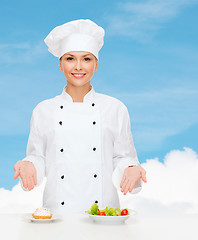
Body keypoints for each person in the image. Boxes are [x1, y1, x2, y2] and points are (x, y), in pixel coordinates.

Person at [13, 19, 147, 214]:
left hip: (103, 215)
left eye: (86, 59)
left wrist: (131, 169)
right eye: (70, 59)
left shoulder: (115, 108)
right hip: (56, 215)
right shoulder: (43, 110)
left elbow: (122, 157)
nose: (78, 67)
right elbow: (38, 157)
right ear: (60, 64)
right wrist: (28, 165)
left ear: (96, 65)